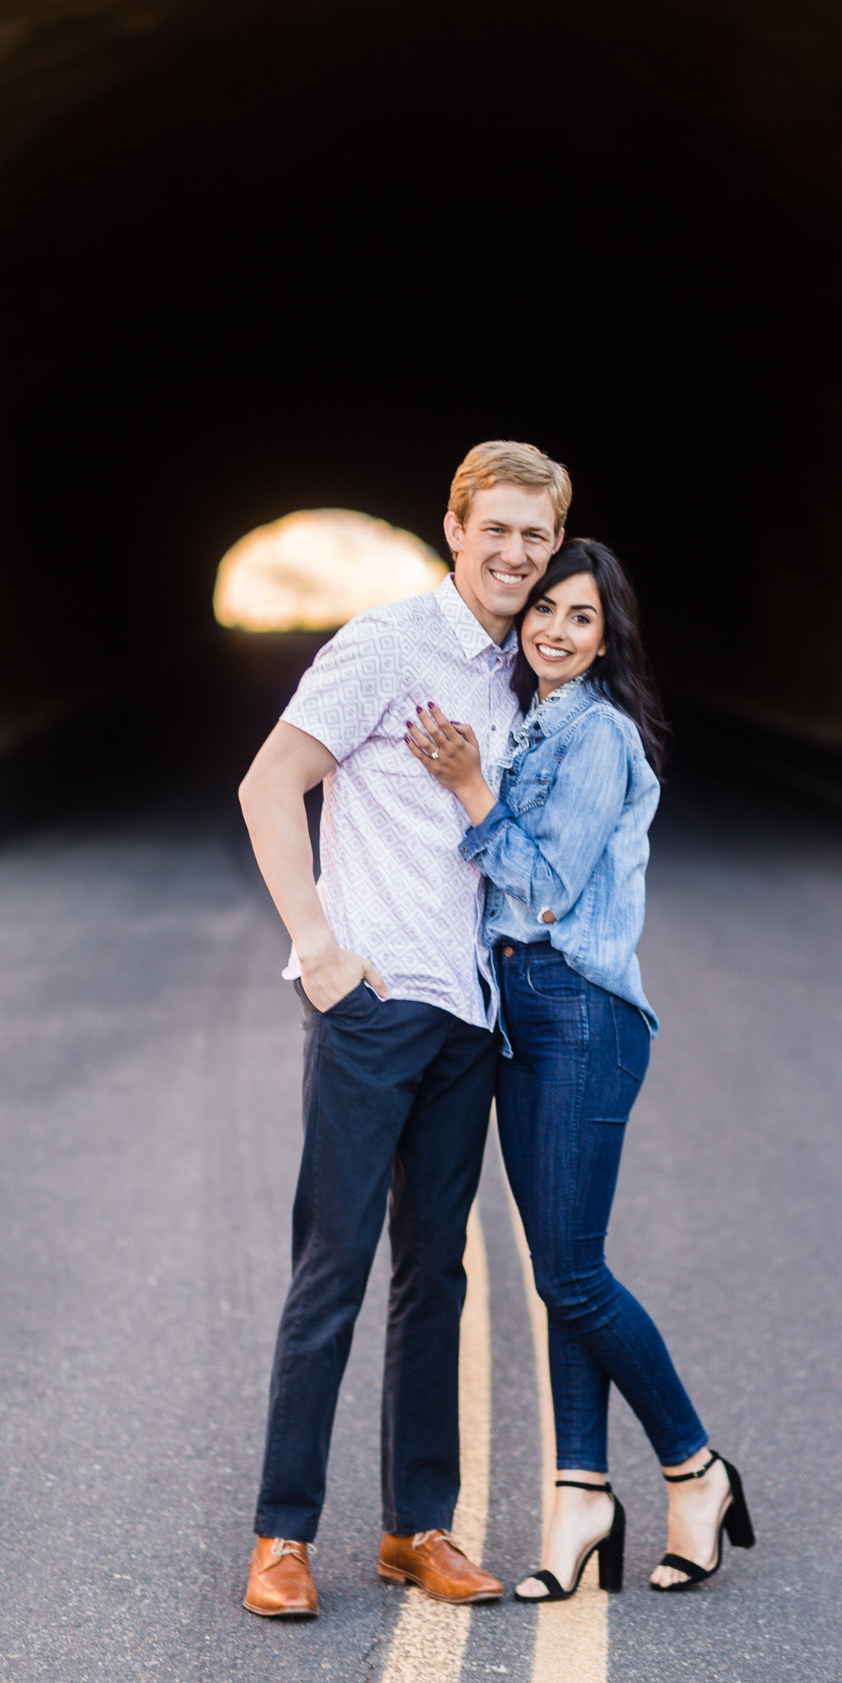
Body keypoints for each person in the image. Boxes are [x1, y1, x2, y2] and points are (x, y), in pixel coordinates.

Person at [235, 440, 570, 1619]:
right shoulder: (383, 643)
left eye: (538, 535)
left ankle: (416, 1526)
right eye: (500, 529)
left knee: (440, 1272)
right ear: (456, 525)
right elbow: (269, 783)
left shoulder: (526, 675)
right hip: (374, 1010)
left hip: (469, 1018)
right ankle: (282, 1534)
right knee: (333, 1265)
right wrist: (322, 953)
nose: (517, 553)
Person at [406, 538, 753, 1598]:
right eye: (545, 608)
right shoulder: (532, 723)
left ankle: (696, 1468)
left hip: (584, 1012)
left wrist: (469, 787)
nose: (555, 628)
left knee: (570, 1275)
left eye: (581, 617)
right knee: (566, 1266)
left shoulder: (595, 734)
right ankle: (579, 1501)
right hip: (524, 1014)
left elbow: (545, 885)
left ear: (611, 638)